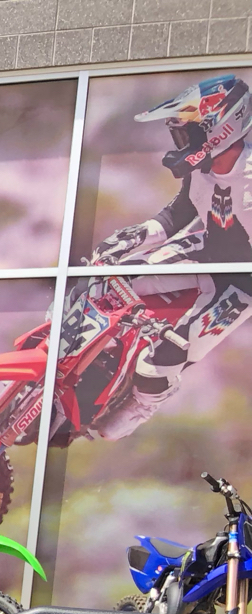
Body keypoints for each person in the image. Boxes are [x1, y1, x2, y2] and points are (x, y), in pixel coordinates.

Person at [84, 74, 252, 439]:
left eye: (186, 133)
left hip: (242, 285)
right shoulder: (205, 168)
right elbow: (181, 212)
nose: (180, 143)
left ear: (218, 127)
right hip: (207, 250)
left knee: (161, 358)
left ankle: (145, 403)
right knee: (113, 279)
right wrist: (133, 237)